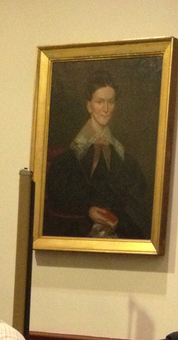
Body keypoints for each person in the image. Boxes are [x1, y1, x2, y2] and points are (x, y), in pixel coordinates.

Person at [43, 72, 152, 239]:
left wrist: (117, 218)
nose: (106, 109)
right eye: (100, 102)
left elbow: (136, 203)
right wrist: (87, 210)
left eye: (110, 102)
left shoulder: (127, 162)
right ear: (89, 106)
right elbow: (57, 198)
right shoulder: (65, 161)